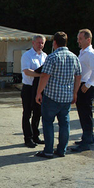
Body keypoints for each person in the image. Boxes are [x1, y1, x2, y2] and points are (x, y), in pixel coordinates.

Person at [35, 31, 81, 159]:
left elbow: (45, 76)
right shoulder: (74, 57)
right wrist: (75, 93)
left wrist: (39, 92)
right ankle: (62, 150)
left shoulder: (52, 57)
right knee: (64, 123)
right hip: (66, 97)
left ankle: (48, 150)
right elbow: (78, 76)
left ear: (54, 43)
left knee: (48, 122)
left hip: (51, 96)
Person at [71, 29, 94, 152]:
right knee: (84, 114)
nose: (78, 41)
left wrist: (88, 84)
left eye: (81, 39)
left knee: (85, 115)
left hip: (85, 87)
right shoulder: (83, 52)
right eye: (78, 38)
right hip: (82, 85)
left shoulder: (90, 53)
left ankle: (86, 142)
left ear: (88, 40)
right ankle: (88, 137)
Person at [20, 35, 47, 148]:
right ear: (33, 43)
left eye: (42, 43)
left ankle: (36, 135)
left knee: (38, 112)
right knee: (27, 113)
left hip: (39, 88)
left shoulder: (45, 56)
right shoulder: (27, 55)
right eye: (38, 42)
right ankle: (28, 138)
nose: (40, 45)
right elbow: (27, 71)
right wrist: (41, 75)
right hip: (28, 87)